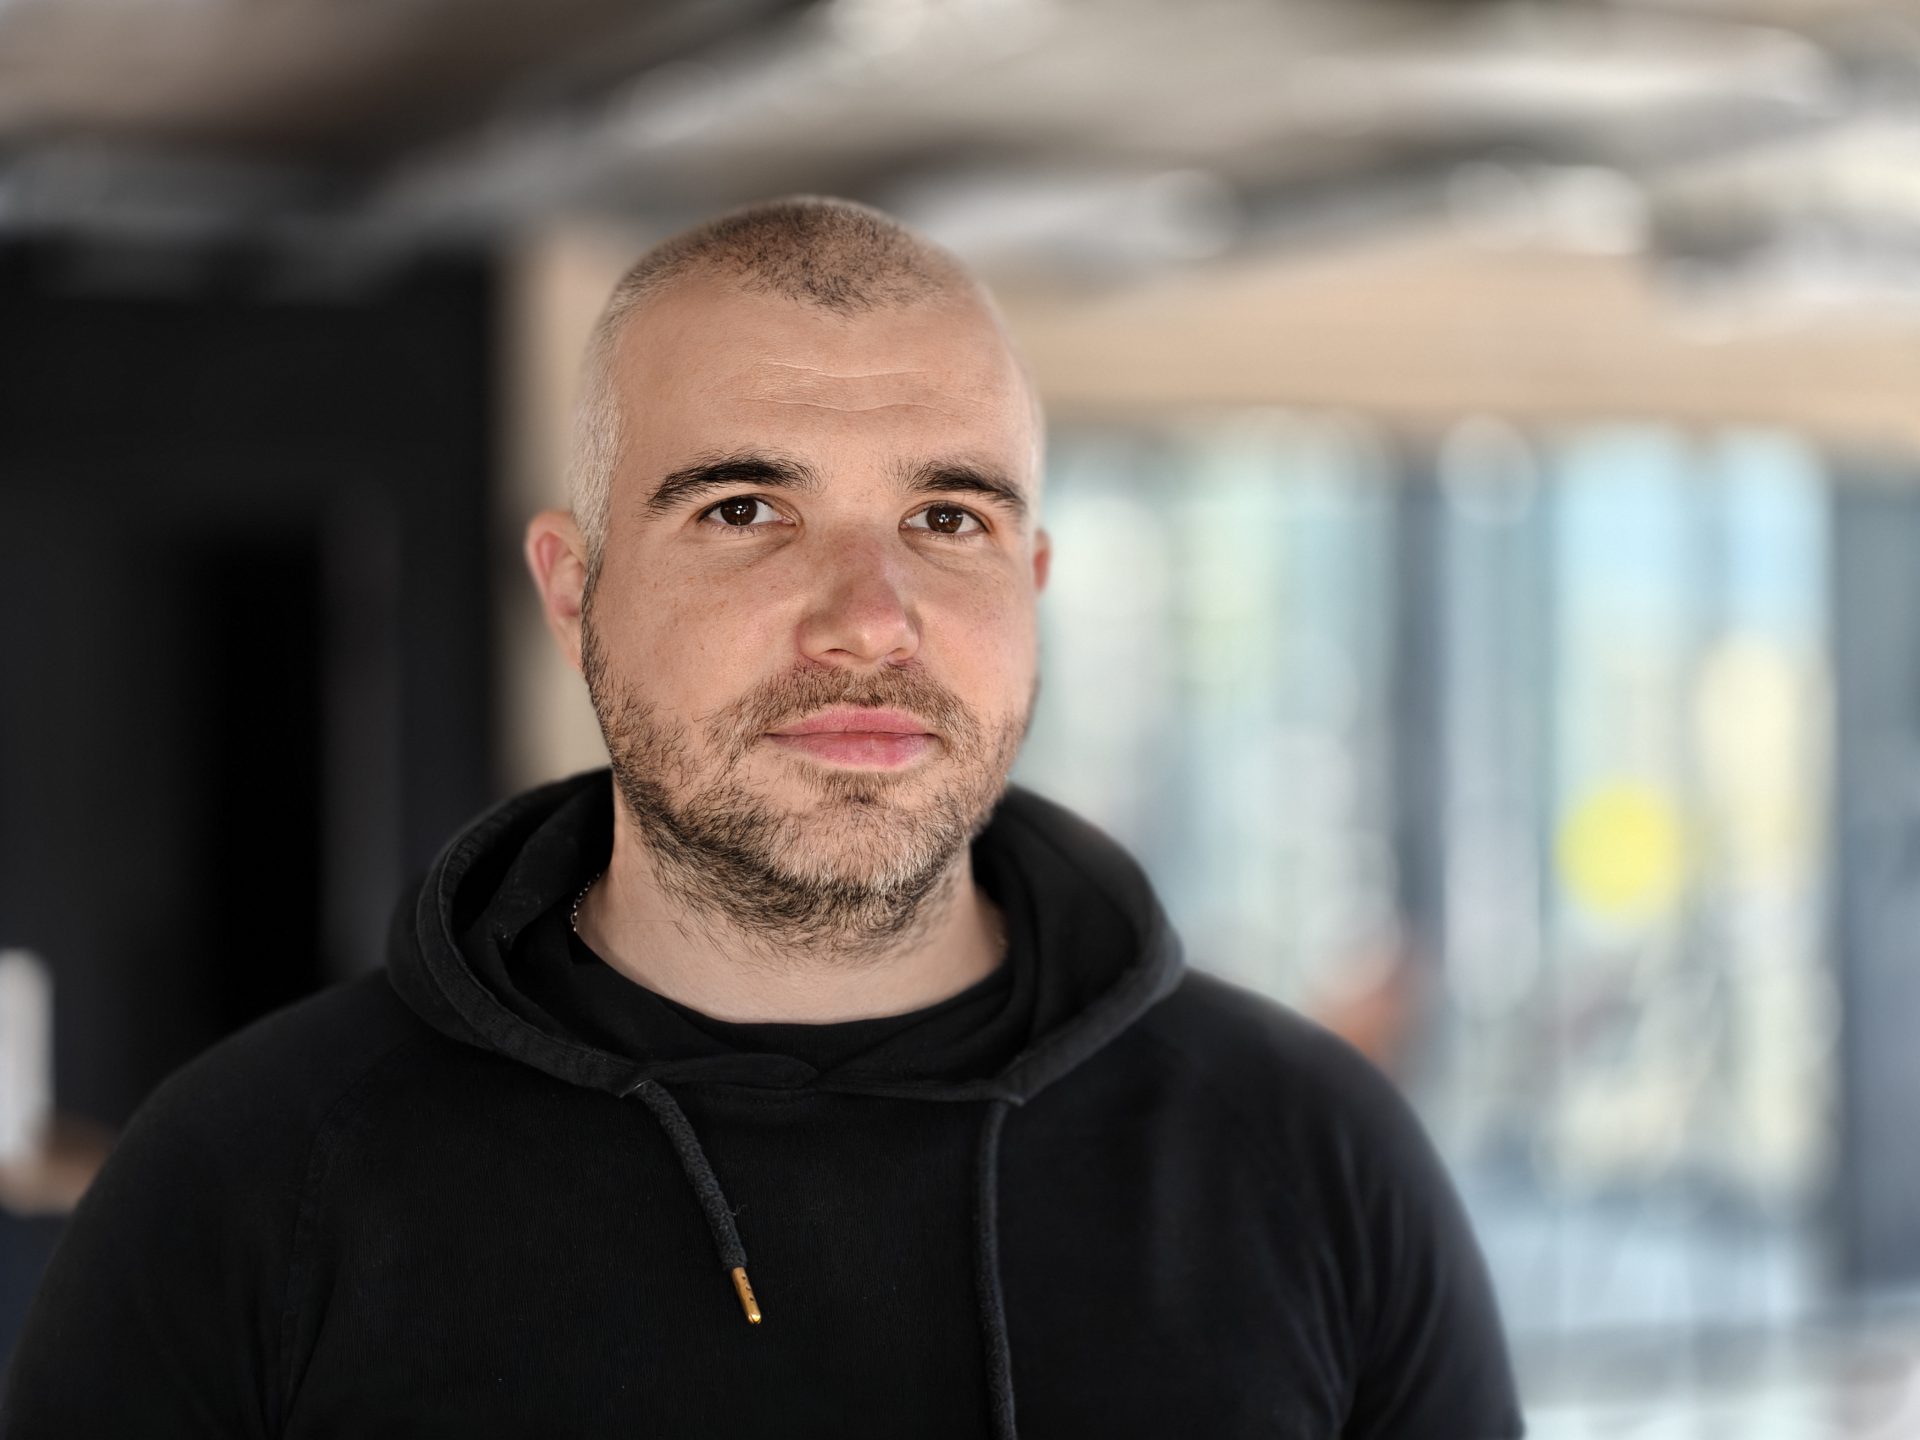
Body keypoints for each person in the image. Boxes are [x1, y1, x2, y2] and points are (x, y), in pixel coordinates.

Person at [0, 196, 1524, 1438]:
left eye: (947, 518)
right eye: (745, 511)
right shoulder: (248, 1178)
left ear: (1034, 585)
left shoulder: (1312, 1155)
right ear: (573, 591)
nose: (869, 619)